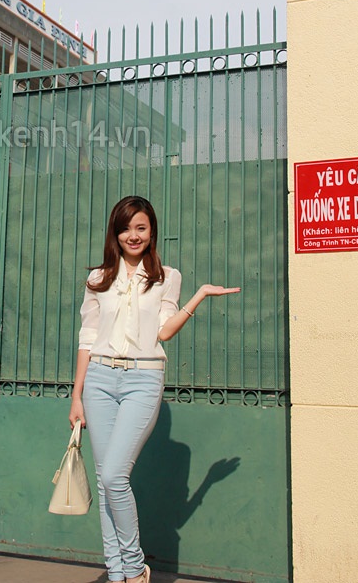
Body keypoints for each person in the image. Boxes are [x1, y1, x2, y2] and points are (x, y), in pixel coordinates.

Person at [69, 195, 240, 583]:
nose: (133, 235)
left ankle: (134, 568)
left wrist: (199, 296)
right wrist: (77, 395)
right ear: (115, 233)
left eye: (141, 228)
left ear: (152, 232)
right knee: (105, 480)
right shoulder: (98, 279)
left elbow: (164, 331)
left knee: (115, 476)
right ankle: (118, 575)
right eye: (126, 228)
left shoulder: (167, 277)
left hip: (142, 379)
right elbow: (87, 337)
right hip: (98, 379)